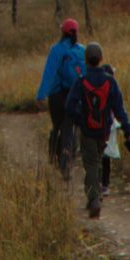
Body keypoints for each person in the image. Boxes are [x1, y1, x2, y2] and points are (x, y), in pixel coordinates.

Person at [64, 40, 130, 219]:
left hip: (87, 129)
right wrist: (128, 129)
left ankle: (94, 198)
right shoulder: (110, 81)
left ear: (86, 60)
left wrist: (80, 119)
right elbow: (119, 108)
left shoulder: (81, 81)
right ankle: (95, 196)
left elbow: (70, 106)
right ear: (101, 58)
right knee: (98, 160)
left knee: (91, 164)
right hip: (104, 129)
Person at [36, 17, 85, 168]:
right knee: (69, 127)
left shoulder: (56, 50)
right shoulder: (82, 50)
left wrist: (41, 95)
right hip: (74, 95)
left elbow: (49, 73)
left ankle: (54, 156)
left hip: (56, 95)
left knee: (57, 126)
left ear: (62, 32)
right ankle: (67, 158)